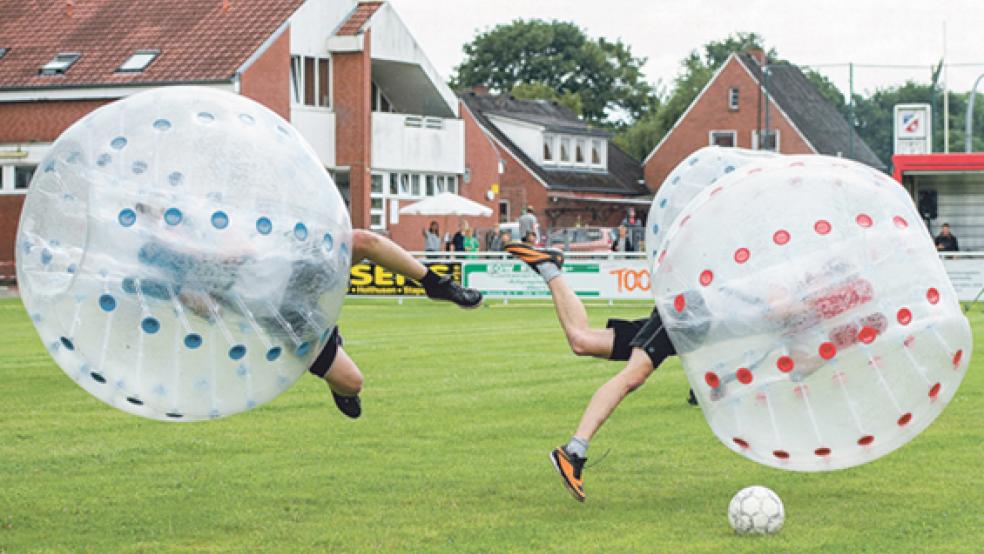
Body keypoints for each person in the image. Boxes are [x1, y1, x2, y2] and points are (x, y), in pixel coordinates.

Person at [138, 226, 483, 420]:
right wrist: (183, 294)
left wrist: (201, 247)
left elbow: (245, 247)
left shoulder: (210, 232)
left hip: (295, 270)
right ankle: (335, 368)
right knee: (352, 383)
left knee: (362, 241)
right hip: (282, 317)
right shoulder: (185, 287)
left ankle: (437, 285)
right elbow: (213, 313)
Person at [504, 240, 679, 502]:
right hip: (686, 315)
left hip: (694, 323)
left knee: (582, 341)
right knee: (634, 375)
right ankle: (574, 451)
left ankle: (548, 267)